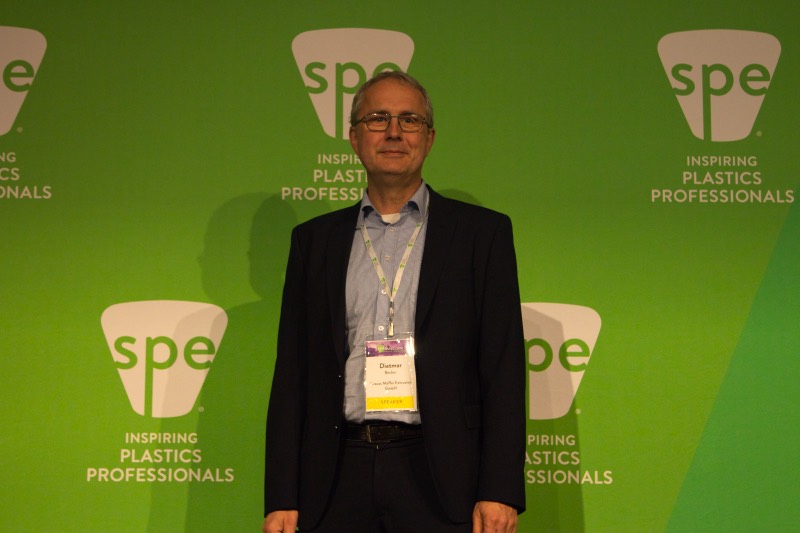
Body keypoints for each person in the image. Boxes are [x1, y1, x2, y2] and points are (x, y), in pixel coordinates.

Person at [263, 71, 525, 533]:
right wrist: (283, 495)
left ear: (429, 137)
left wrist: (499, 488)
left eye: (410, 120)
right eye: (378, 118)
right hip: (334, 474)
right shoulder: (314, 242)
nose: (394, 132)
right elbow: (292, 374)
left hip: (444, 475)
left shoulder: (482, 234)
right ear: (354, 137)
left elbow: (502, 367)